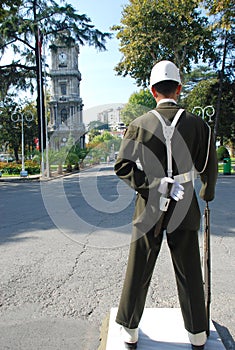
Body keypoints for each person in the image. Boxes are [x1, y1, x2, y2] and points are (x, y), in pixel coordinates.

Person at [114, 60, 218, 350]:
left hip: (149, 203)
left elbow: (122, 165)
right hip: (185, 202)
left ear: (152, 90)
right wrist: (207, 193)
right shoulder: (200, 126)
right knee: (189, 269)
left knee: (139, 266)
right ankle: (197, 333)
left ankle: (130, 331)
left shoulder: (139, 124)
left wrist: (152, 183)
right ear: (179, 88)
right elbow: (209, 167)